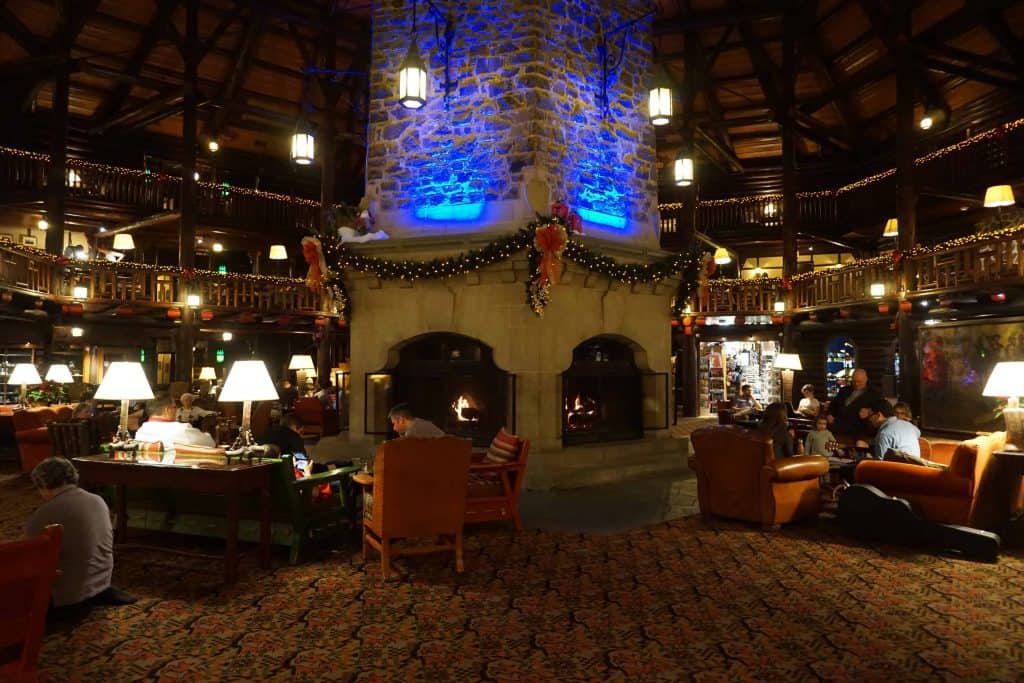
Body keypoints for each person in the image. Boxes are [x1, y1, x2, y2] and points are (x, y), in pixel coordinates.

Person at [25, 457, 135, 612]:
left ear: (43, 484)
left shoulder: (44, 513)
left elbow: (30, 560)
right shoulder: (98, 500)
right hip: (101, 584)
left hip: (65, 597)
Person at [135, 397, 215, 451]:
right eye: (174, 407)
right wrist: (207, 434)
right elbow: (211, 443)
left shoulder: (141, 431)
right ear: (168, 410)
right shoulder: (183, 430)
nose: (176, 410)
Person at [858, 399, 925, 462]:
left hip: (898, 471)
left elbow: (881, 465)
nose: (869, 419)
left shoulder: (884, 434)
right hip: (916, 468)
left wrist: (863, 459)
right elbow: (918, 433)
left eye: (870, 415)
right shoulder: (911, 426)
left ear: (878, 415)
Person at [827, 368, 884, 439]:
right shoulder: (844, 390)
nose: (856, 384)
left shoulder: (874, 394)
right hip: (837, 425)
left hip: (857, 428)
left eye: (859, 381)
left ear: (866, 379)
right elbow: (833, 404)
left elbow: (882, 408)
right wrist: (830, 414)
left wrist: (869, 411)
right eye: (854, 381)